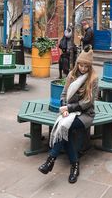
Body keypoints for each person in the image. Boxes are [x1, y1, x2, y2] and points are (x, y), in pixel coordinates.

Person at [38, 47, 98, 184]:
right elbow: (64, 94)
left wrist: (69, 108)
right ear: (78, 64)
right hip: (69, 111)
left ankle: (51, 159)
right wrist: (64, 108)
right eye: (81, 65)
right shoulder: (72, 75)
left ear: (90, 66)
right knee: (66, 127)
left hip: (85, 114)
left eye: (86, 66)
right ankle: (74, 165)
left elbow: (88, 102)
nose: (83, 68)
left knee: (65, 126)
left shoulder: (93, 79)